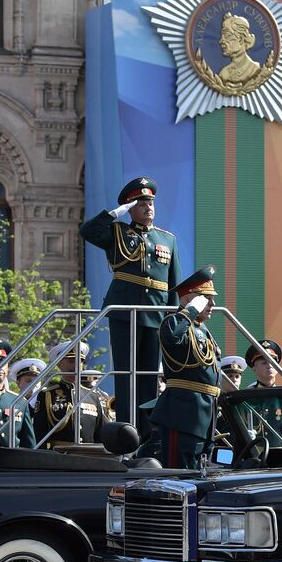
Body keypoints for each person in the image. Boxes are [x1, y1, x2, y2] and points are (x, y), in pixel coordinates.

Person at [80, 176, 180, 437]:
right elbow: (87, 231)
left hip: (156, 313)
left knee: (149, 376)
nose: (148, 207)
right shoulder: (117, 231)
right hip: (124, 310)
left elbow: (173, 283)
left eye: (151, 203)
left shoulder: (167, 239)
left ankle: (147, 433)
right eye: (141, 203)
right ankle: (127, 431)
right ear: (130, 207)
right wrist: (115, 213)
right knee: (126, 375)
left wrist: (173, 316)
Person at [144, 266, 221, 469]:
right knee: (180, 473)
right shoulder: (174, 322)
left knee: (200, 472)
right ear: (188, 299)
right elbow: (172, 337)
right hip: (184, 413)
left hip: (205, 413)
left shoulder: (201, 329)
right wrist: (192, 309)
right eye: (206, 298)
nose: (212, 303)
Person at [31, 341, 109, 449]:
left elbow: (100, 432)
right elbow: (39, 432)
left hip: (89, 456)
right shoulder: (47, 395)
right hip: (59, 456)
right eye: (71, 361)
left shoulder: (92, 396)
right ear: (58, 364)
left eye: (80, 361)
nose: (76, 365)